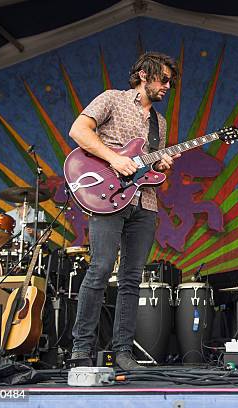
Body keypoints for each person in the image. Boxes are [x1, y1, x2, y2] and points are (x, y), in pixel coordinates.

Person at [68, 52, 179, 370]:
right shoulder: (112, 99)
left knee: (131, 279)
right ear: (144, 75)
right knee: (100, 269)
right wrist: (114, 158)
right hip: (107, 197)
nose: (167, 86)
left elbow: (150, 165)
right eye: (163, 79)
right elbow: (78, 131)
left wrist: (161, 163)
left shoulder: (160, 122)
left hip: (145, 203)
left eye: (170, 82)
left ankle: (123, 353)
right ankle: (81, 348)